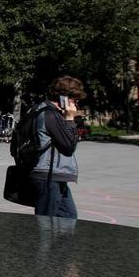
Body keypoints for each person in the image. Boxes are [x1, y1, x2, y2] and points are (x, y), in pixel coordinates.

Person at [28, 76, 84, 218]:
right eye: (74, 99)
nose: (76, 103)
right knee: (46, 225)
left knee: (69, 219)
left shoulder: (40, 109)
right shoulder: (50, 115)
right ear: (64, 96)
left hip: (53, 176)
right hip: (48, 177)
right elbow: (69, 146)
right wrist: (70, 119)